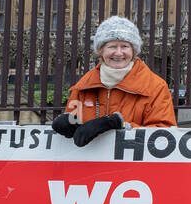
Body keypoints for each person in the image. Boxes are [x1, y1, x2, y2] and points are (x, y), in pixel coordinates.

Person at [52, 16, 176, 146]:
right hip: (91, 163)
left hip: (132, 164)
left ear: (133, 51)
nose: (118, 53)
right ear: (101, 51)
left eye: (125, 46)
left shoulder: (155, 86)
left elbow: (164, 135)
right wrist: (68, 123)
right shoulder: (84, 85)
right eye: (112, 46)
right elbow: (74, 125)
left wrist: (120, 125)